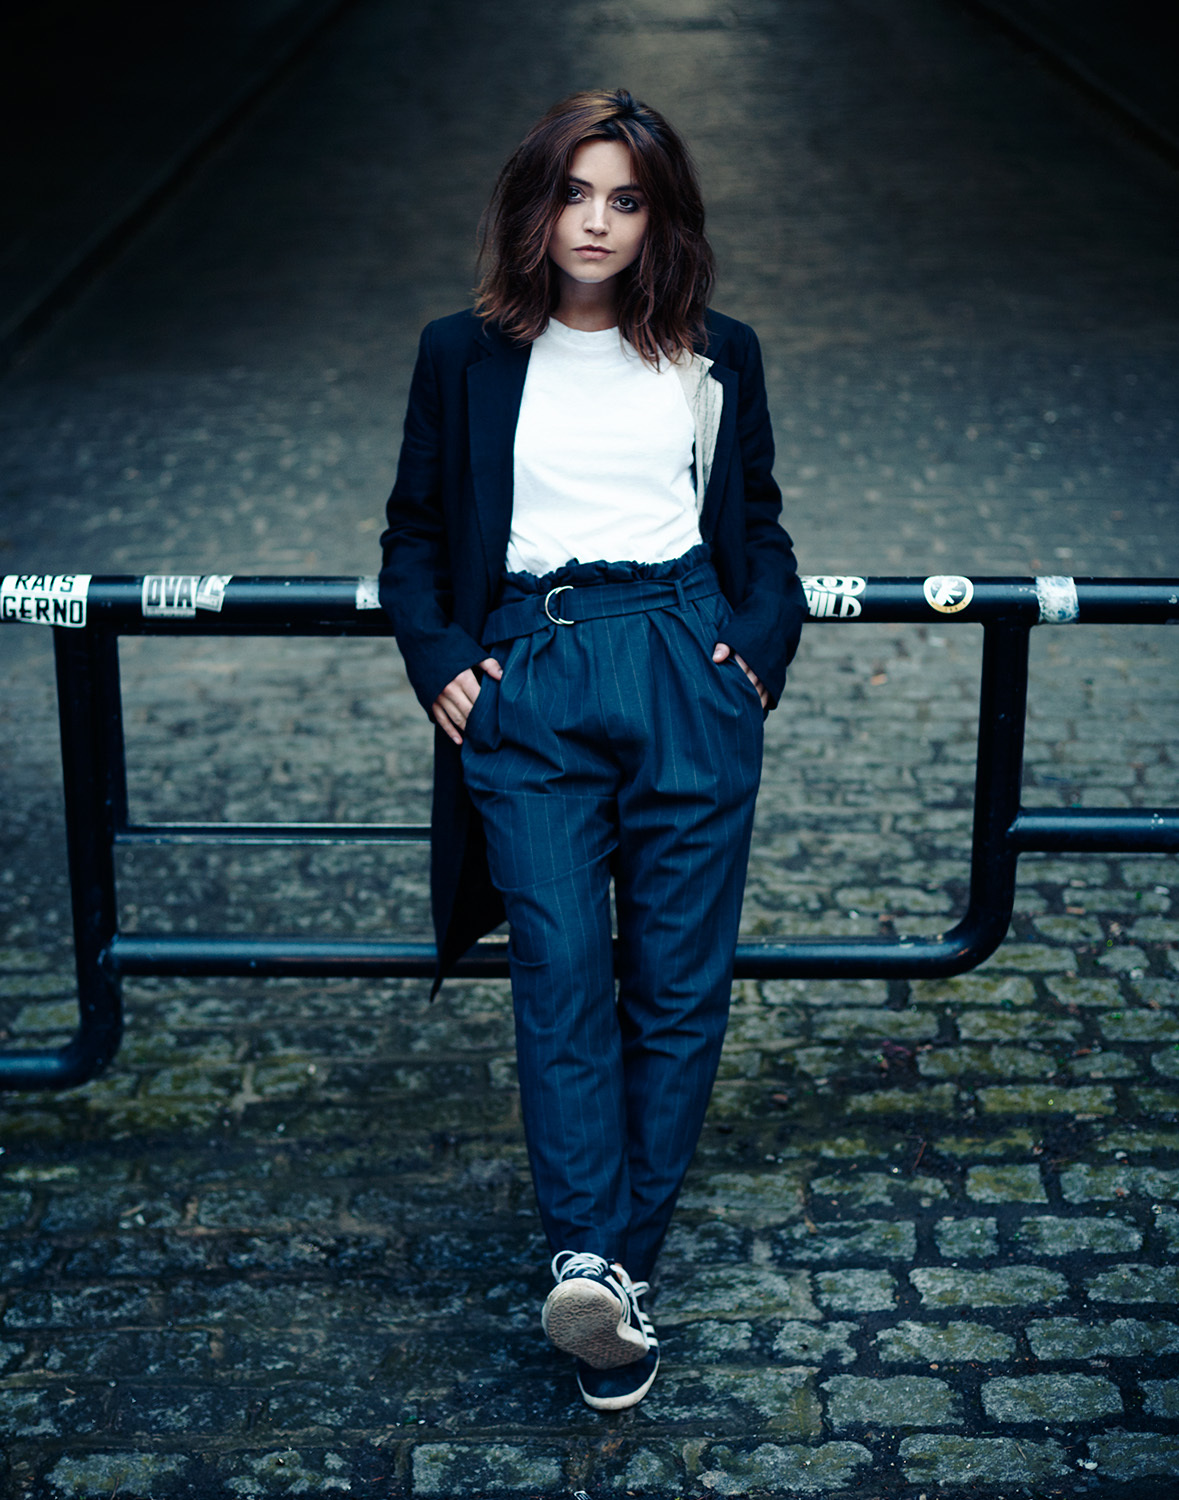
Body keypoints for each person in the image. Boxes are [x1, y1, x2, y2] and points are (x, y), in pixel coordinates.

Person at [378, 88, 804, 1412]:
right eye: (577, 193)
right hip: (533, 671)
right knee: (561, 967)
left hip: (686, 658)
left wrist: (755, 656)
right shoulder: (463, 353)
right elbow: (413, 535)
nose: (598, 222)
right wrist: (444, 661)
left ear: (659, 220)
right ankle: (594, 1260)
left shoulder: (714, 353)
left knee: (677, 985)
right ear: (533, 204)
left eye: (627, 199)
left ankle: (611, 1276)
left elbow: (766, 531)